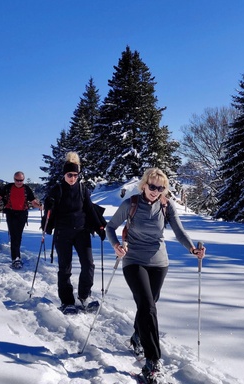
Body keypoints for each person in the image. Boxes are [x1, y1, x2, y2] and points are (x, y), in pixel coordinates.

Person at [105, 168, 205, 383]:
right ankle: (152, 361)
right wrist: (116, 246)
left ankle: (137, 337)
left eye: (160, 188)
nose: (155, 191)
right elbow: (110, 227)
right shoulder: (131, 204)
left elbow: (179, 231)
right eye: (152, 187)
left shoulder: (166, 206)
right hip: (133, 261)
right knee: (148, 306)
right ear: (144, 185)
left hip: (159, 263)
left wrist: (192, 249)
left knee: (147, 305)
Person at [43, 152, 106, 314]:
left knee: (89, 264)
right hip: (62, 232)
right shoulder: (57, 189)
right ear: (64, 174)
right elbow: (49, 204)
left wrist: (99, 227)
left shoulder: (82, 189)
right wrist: (49, 203)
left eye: (75, 175)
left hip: (82, 232)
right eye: (70, 175)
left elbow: (90, 209)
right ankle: (67, 301)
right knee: (65, 267)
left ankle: (84, 296)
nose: (72, 178)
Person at [1, 171, 42, 268]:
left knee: (18, 236)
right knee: (13, 235)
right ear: (14, 179)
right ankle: (16, 258)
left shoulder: (26, 189)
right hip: (10, 213)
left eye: (21, 180)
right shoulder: (8, 187)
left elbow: (33, 202)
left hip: (22, 214)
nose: (19, 182)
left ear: (23, 179)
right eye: (17, 180)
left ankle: (16, 257)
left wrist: (39, 206)